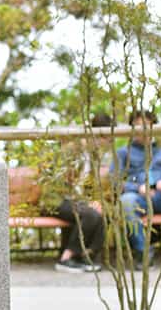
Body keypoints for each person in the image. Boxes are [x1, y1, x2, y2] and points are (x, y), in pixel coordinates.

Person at [113, 108, 161, 265]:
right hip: (138, 198)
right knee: (126, 202)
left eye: (148, 125)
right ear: (132, 128)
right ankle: (143, 253)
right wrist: (137, 187)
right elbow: (114, 182)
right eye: (139, 126)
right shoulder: (123, 153)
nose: (144, 131)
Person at [45, 112, 112, 272]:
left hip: (76, 202)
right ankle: (66, 258)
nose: (109, 143)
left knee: (102, 212)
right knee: (90, 214)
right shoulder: (71, 151)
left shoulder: (94, 155)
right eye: (107, 138)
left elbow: (89, 185)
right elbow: (60, 185)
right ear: (97, 134)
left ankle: (85, 256)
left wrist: (94, 200)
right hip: (55, 200)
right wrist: (86, 202)